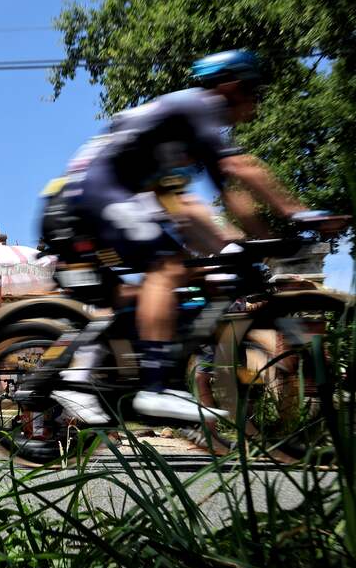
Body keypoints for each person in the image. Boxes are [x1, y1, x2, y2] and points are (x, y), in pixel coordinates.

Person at [41, 49, 344, 424]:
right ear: (230, 85)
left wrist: (255, 246)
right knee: (166, 265)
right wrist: (297, 212)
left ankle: (102, 373)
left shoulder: (182, 144)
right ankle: (153, 388)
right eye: (252, 90)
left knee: (178, 270)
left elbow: (205, 209)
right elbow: (239, 169)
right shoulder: (198, 105)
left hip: (103, 197)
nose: (255, 100)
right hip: (90, 191)